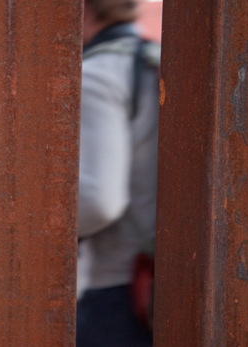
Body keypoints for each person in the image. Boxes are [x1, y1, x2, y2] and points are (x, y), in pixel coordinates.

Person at [76, 0, 160, 346]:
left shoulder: (97, 73)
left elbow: (100, 201)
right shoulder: (154, 59)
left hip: (120, 290)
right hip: (169, 281)